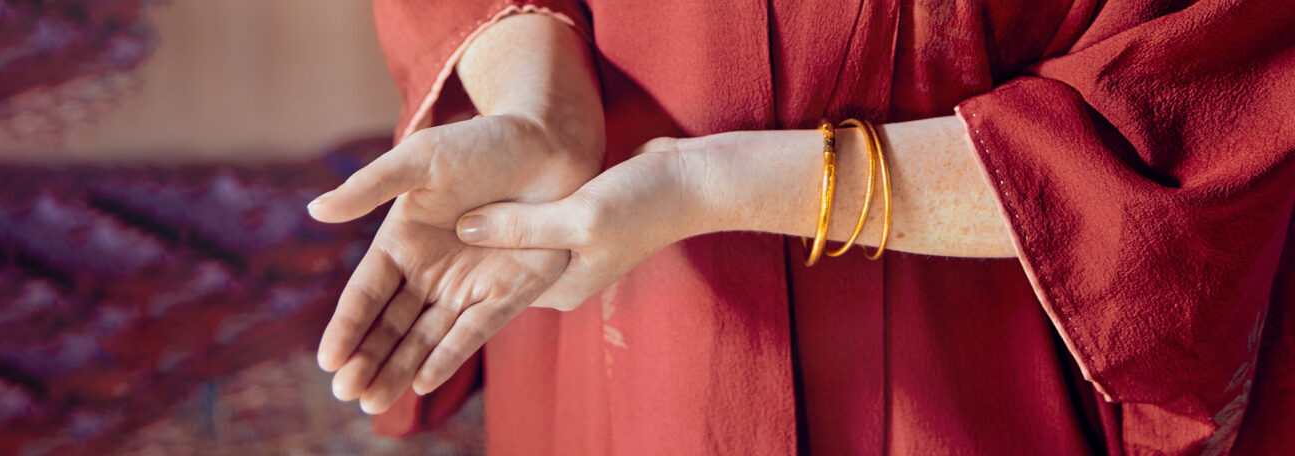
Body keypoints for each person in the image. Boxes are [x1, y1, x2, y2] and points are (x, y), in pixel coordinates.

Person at [306, 1, 1295, 454]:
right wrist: (538, 102)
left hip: (985, 340)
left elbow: (1201, 90)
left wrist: (724, 186)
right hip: (625, 311)